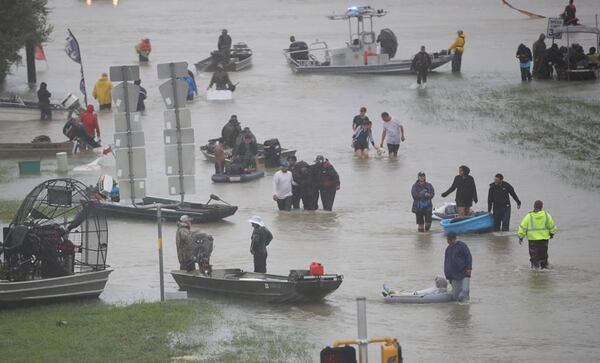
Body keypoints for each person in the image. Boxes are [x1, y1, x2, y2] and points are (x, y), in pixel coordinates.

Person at [517, 200, 557, 269]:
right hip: (544, 240)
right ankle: (544, 271)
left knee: (534, 257)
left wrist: (521, 237)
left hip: (533, 241)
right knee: (544, 257)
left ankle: (535, 272)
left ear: (534, 207)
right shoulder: (547, 215)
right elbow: (552, 227)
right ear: (542, 207)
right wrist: (552, 234)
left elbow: (522, 227)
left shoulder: (529, 216)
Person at [444, 232, 472, 302]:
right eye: (447, 239)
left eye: (449, 240)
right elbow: (446, 262)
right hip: (454, 275)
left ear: (454, 239)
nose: (448, 241)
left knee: (465, 290)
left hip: (464, 273)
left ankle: (466, 305)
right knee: (456, 295)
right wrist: (447, 275)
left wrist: (469, 268)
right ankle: (458, 309)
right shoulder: (448, 249)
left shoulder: (462, 246)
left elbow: (468, 257)